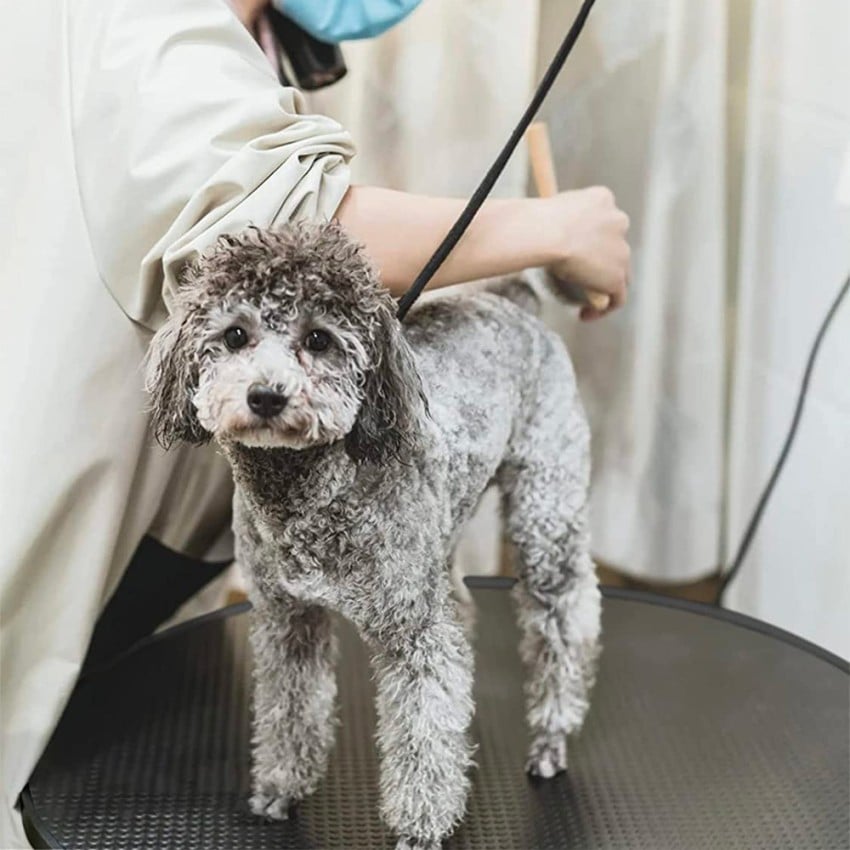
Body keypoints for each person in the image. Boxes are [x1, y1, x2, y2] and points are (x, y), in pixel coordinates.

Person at [0, 0, 629, 845]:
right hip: (73, 516)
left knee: (497, 585)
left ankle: (478, 773)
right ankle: (284, 775)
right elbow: (286, 221)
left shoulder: (258, 39)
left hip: (156, 548)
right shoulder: (139, 19)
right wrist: (551, 229)